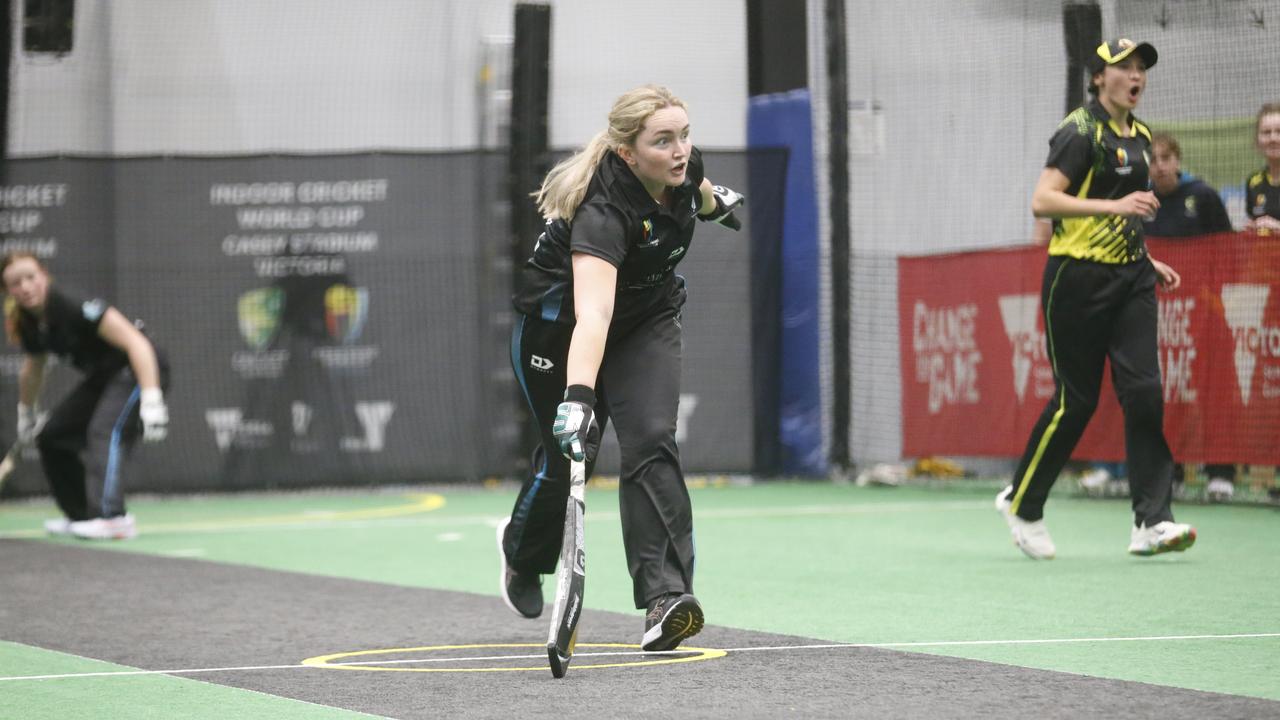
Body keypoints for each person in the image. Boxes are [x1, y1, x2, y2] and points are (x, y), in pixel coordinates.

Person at [496, 85, 743, 651]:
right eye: (664, 141)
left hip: (646, 322)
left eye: (685, 134)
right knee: (562, 459)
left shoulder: (682, 167)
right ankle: (521, 555)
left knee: (653, 440)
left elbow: (697, 190)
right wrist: (579, 397)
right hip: (561, 331)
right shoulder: (604, 214)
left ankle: (665, 598)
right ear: (629, 153)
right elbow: (594, 314)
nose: (680, 150)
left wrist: (714, 204)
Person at [996, 38, 1196, 559]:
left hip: (1131, 277)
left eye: (1140, 70)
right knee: (1076, 400)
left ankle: (1153, 520)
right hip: (1076, 279)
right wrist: (1114, 209)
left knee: (1145, 391)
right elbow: (1042, 201)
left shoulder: (1143, 136)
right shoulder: (1079, 131)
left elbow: (1125, 212)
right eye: (1124, 69)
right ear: (1099, 78)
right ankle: (1024, 503)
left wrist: (1145, 259)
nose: (1136, 77)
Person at [1, 252, 170, 540]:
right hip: (105, 376)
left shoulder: (69, 303)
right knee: (52, 436)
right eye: (16, 283)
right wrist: (26, 414)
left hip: (139, 368)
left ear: (44, 276)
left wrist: (152, 399)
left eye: (31, 277)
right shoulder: (29, 321)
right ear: (8, 292)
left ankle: (113, 518)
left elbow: (136, 342)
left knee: (104, 430)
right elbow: (34, 368)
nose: (26, 287)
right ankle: (82, 514)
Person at [1145, 130, 1238, 502]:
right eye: (1152, 160)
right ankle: (1174, 471)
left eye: (1166, 158)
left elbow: (1229, 250)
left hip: (1205, 314)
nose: (1160, 166)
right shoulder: (1142, 203)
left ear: (1178, 161)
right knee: (1167, 394)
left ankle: (1221, 473)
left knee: (1214, 391)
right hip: (1161, 320)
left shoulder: (1203, 197)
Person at [1243, 102, 1280, 234]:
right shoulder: (1254, 182)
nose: (1273, 138)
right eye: (1266, 132)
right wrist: (1253, 230)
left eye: (1279, 131)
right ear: (1258, 140)